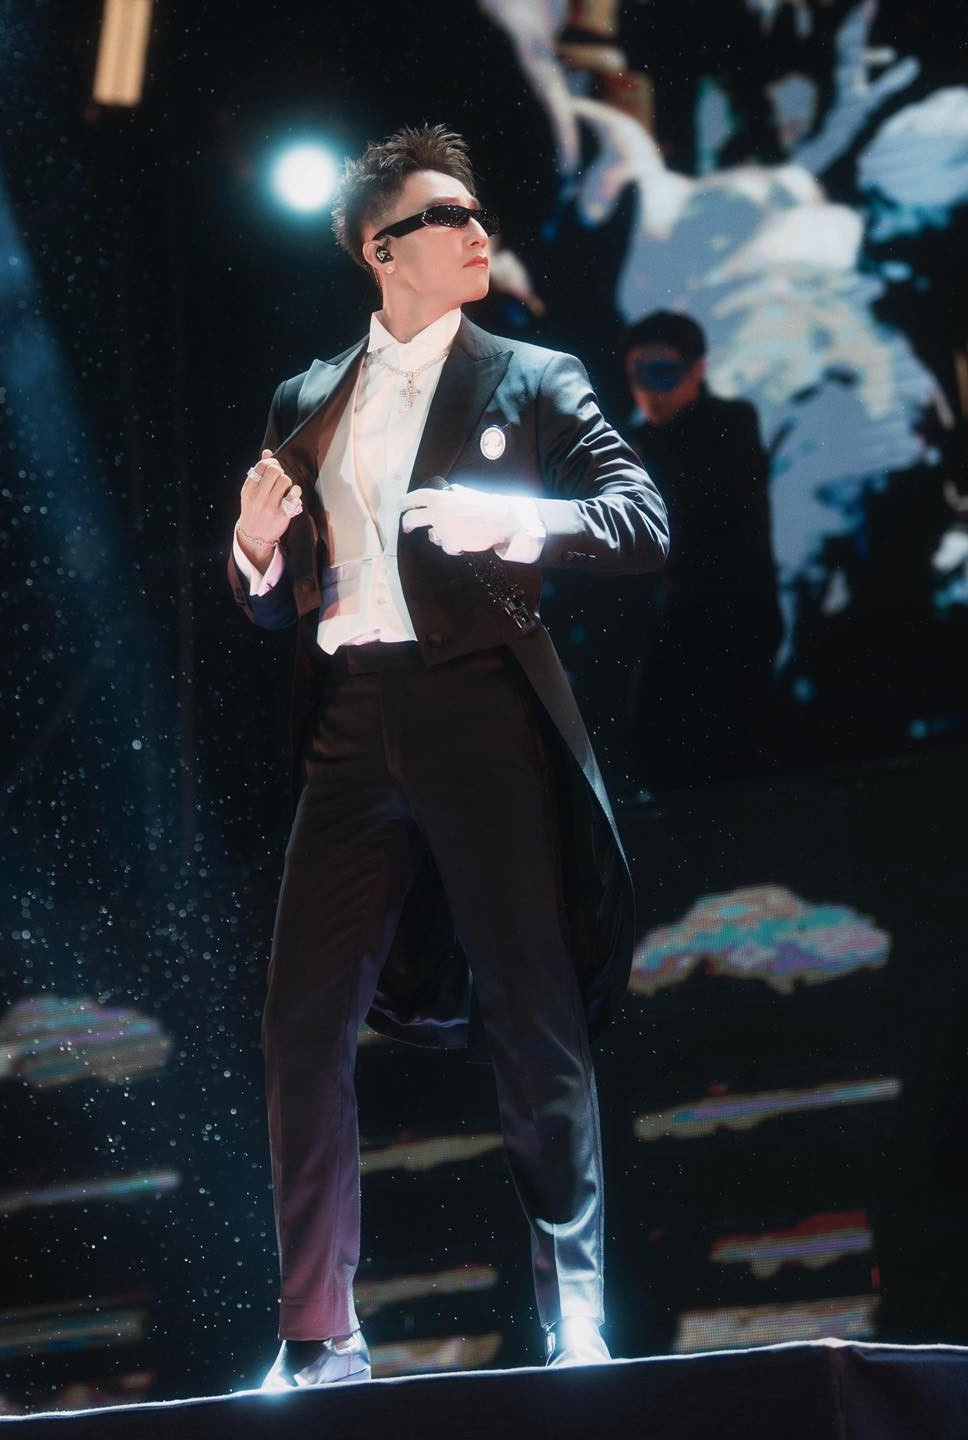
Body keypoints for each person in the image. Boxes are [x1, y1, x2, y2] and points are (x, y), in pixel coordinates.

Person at [227, 124, 668, 1389]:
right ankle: (319, 1335)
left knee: (536, 1011)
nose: (480, 233)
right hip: (350, 723)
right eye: (450, 217)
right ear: (383, 250)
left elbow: (640, 518)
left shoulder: (531, 377)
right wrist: (252, 549)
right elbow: (273, 599)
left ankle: (574, 1322)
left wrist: (516, 521)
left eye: (479, 214)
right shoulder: (308, 398)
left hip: (479, 709)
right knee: (301, 1024)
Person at [621, 311, 781, 787]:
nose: (650, 389)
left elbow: (701, 503)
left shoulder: (733, 421)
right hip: (684, 610)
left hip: (739, 612)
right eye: (638, 374)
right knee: (654, 746)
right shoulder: (641, 441)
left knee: (732, 752)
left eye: (663, 372)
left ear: (698, 370)